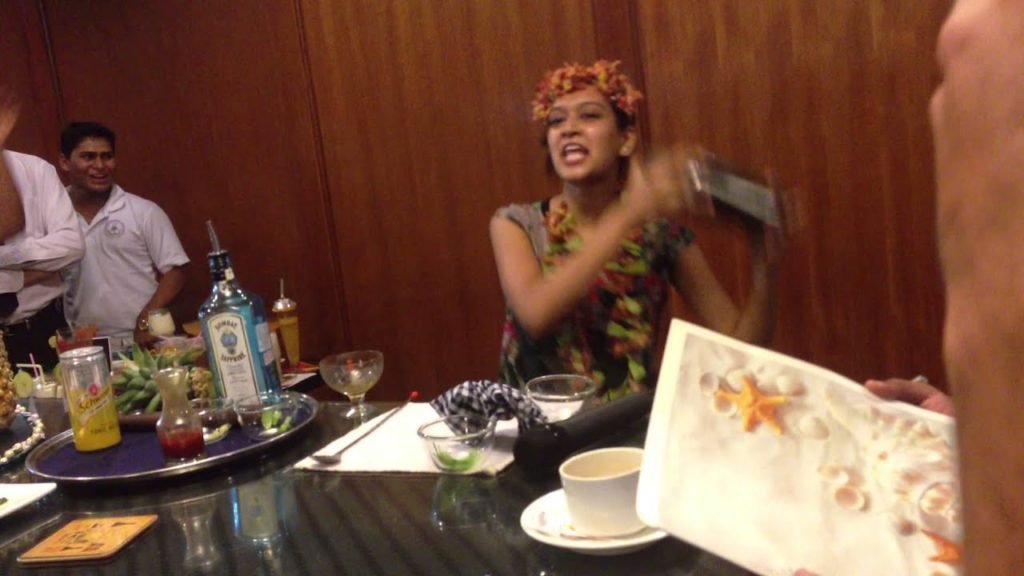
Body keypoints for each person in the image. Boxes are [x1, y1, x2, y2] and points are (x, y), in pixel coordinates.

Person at [491, 60, 778, 400]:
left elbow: (742, 350)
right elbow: (536, 314)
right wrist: (629, 212)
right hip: (533, 423)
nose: (569, 129)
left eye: (589, 116)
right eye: (556, 121)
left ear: (625, 140)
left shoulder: (661, 236)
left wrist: (764, 259)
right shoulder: (515, 223)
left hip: (628, 422)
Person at [58, 122, 189, 353]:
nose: (100, 166)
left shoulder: (143, 211)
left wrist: (145, 320)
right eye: (88, 157)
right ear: (65, 162)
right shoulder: (53, 216)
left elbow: (176, 271)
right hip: (86, 346)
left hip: (145, 341)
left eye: (107, 156)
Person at [0, 97, 85, 370]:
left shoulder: (35, 170)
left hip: (44, 326)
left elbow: (71, 245)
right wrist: (28, 274)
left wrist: (5, 261)